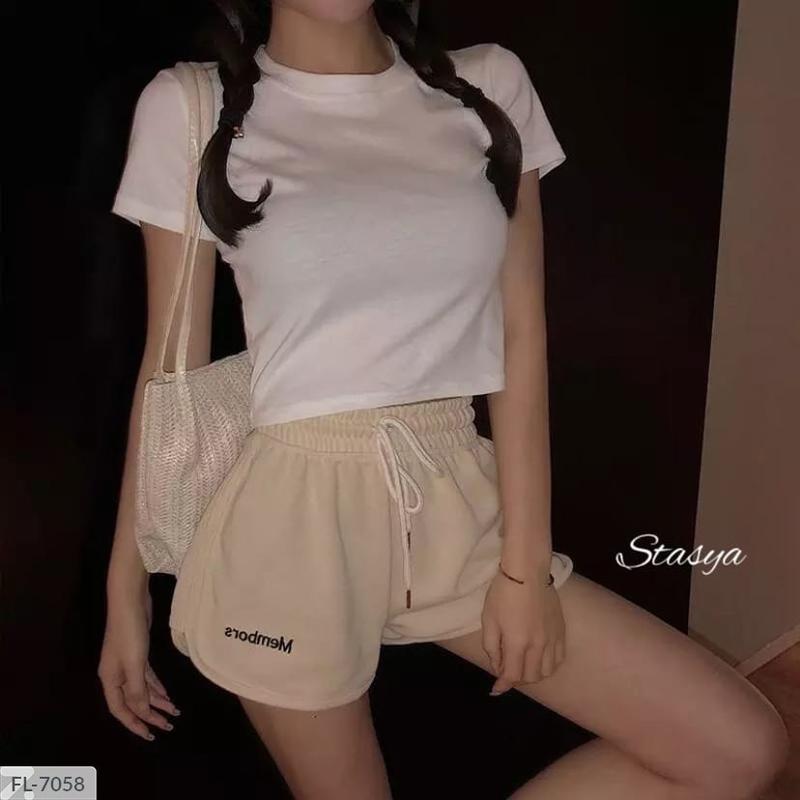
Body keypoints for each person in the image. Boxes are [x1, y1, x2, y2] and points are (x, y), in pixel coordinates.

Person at [98, 2, 789, 798]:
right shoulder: (191, 106)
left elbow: (522, 338)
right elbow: (170, 380)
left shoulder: (486, 85)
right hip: (286, 524)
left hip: (453, 488)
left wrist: (525, 568)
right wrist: (127, 587)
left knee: (736, 748)